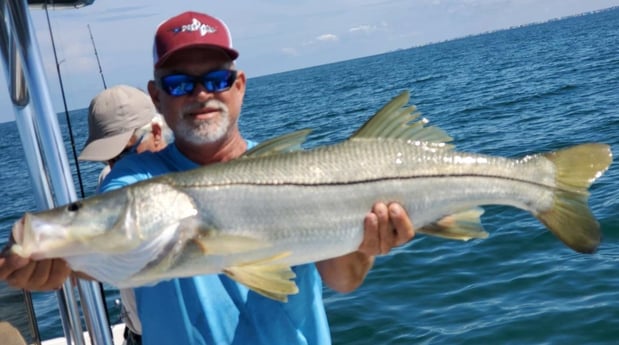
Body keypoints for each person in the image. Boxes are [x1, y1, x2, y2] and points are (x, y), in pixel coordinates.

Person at [0, 11, 415, 345]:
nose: (201, 94)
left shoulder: (297, 171)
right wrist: (58, 256)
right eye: (180, 83)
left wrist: (367, 245)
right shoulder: (135, 179)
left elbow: (343, 280)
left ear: (239, 86)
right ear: (156, 96)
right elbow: (126, 236)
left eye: (216, 79)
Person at [78, 84, 173, 344]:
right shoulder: (109, 180)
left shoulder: (184, 182)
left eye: (124, 153)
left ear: (156, 132)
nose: (117, 168)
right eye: (109, 159)